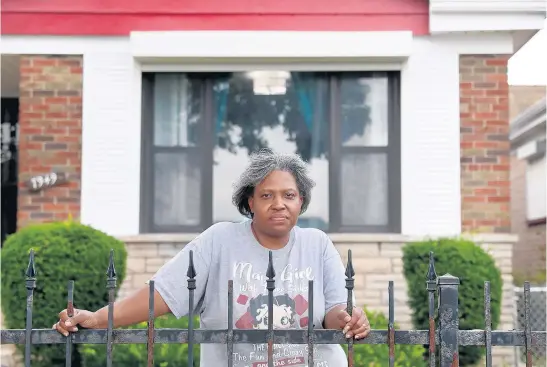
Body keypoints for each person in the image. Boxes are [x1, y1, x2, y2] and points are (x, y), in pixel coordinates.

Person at [53, 149, 371, 367]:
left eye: (288, 195)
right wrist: (97, 318)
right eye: (266, 195)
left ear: (301, 201)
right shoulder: (219, 240)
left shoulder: (317, 243)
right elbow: (162, 293)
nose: (278, 204)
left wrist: (349, 318)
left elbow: (333, 311)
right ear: (249, 202)